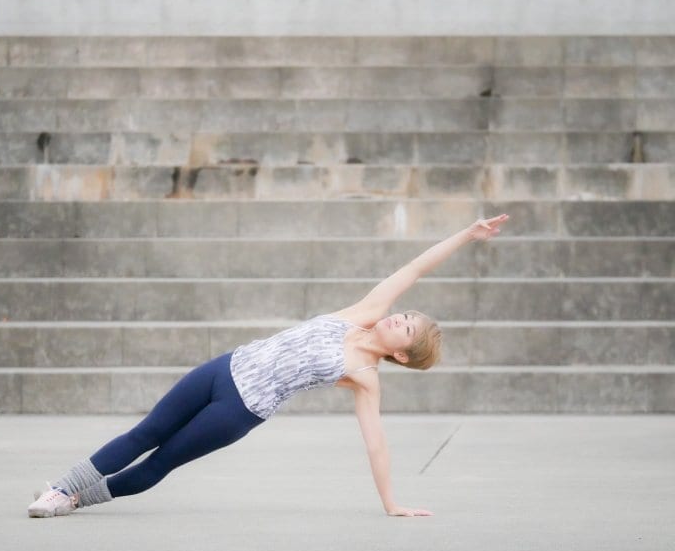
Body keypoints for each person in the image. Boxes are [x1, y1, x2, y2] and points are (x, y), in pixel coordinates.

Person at [27, 213, 510, 518]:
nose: (397, 317)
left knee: (162, 461)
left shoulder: (365, 377)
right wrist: (468, 234)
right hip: (224, 367)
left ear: (401, 354)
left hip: (240, 409)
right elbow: (415, 268)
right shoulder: (362, 313)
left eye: (404, 326)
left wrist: (392, 504)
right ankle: (62, 486)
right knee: (143, 433)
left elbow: (376, 445)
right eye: (405, 315)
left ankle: (73, 500)